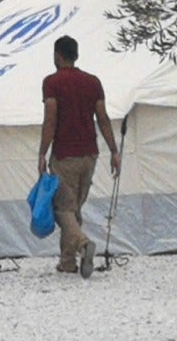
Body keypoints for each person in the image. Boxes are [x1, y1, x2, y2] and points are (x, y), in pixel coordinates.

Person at [37, 34, 121, 279]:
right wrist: (114, 151)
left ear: (57, 55)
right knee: (74, 209)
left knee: (63, 209)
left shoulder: (51, 82)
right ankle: (67, 262)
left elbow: (50, 120)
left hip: (65, 154)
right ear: (76, 55)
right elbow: (103, 119)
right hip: (90, 154)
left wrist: (42, 153)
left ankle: (83, 245)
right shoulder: (93, 82)